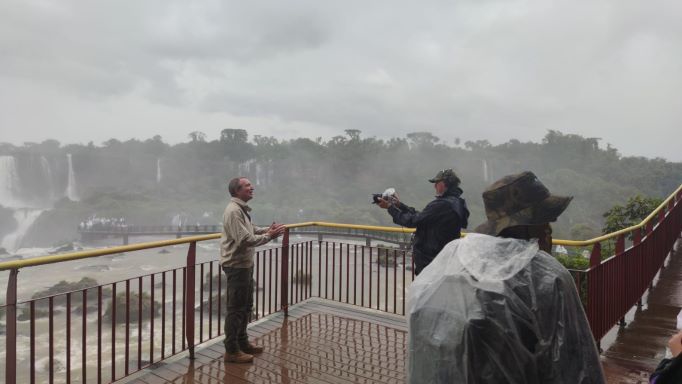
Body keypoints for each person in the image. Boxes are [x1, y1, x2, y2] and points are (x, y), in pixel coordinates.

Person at [407, 171, 605, 383]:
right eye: (546, 222)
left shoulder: (453, 259)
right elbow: (578, 367)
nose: (549, 230)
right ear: (534, 225)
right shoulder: (548, 276)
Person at [221, 177, 285, 363]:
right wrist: (269, 236)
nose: (252, 187)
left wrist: (267, 230)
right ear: (237, 190)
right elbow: (244, 240)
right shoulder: (233, 211)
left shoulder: (240, 209)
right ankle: (231, 351)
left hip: (244, 264)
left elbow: (250, 230)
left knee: (246, 307)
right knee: (236, 309)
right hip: (236, 266)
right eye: (248, 185)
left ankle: (242, 343)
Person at [377, 168, 469, 275]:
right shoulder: (456, 202)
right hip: (443, 259)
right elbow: (422, 217)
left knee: (429, 291)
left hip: (432, 262)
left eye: (436, 183)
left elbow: (412, 221)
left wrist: (389, 207)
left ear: (444, 183)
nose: (434, 186)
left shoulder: (442, 204)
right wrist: (399, 205)